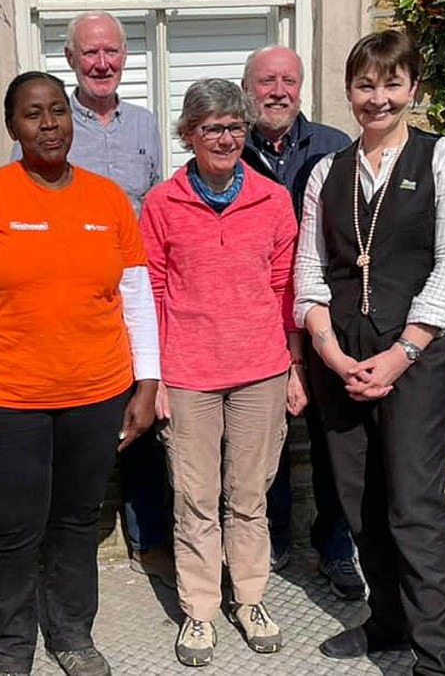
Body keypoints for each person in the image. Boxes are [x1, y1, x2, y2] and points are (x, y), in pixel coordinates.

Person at [0, 71, 160, 676]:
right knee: (12, 529)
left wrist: (147, 383)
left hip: (97, 393)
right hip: (9, 399)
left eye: (58, 110)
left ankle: (72, 635)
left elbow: (136, 295)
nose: (49, 124)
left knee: (77, 521)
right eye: (34, 114)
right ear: (13, 126)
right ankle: (8, 653)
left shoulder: (108, 199)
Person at [294, 30, 445, 675]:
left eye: (391, 84)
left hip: (416, 358)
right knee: (358, 500)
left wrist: (404, 351)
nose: (378, 98)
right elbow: (309, 274)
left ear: (413, 89)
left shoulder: (443, 158)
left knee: (414, 504)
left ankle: (437, 657)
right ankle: (389, 623)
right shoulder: (326, 171)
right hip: (340, 359)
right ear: (349, 92)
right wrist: (329, 350)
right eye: (365, 85)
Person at [139, 78, 304, 667]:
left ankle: (252, 598)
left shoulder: (271, 199)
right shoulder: (162, 204)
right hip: (188, 375)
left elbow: (287, 287)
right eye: (212, 128)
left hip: (261, 368)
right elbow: (151, 291)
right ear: (189, 135)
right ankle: (201, 610)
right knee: (195, 498)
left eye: (235, 126)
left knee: (249, 496)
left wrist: (295, 367)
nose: (226, 137)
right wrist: (153, 378)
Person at [12, 11, 173, 585]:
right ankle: (52, 542)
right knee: (60, 427)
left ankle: (147, 535)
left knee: (143, 416)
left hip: (130, 296)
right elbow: (21, 204)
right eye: (90, 53)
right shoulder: (46, 122)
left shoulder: (146, 125)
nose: (102, 63)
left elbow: (156, 209)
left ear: (125, 57)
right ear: (71, 58)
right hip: (66, 306)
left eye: (111, 52)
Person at [240, 45, 364, 600]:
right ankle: (272, 535)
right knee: (261, 440)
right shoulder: (226, 148)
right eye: (267, 80)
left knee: (332, 434)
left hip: (324, 319)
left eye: (289, 80)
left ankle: (337, 545)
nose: (279, 91)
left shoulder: (336, 148)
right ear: (247, 88)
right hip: (254, 318)